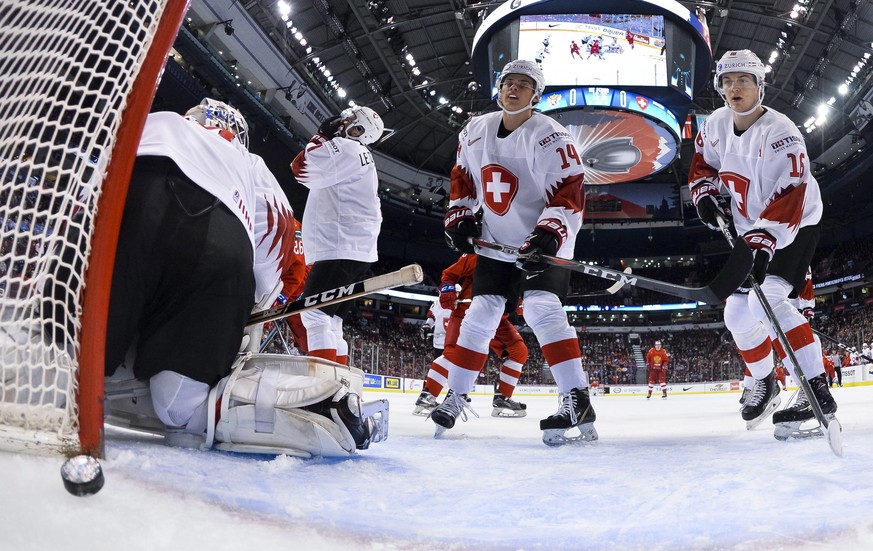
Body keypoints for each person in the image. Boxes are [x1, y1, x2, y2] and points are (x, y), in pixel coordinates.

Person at [100, 99, 383, 456]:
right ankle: (318, 406)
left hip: (137, 200)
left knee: (79, 355)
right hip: (221, 237)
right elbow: (276, 232)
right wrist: (254, 301)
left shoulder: (159, 119)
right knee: (179, 406)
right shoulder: (251, 163)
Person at [428, 59, 595, 446]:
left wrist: (548, 235)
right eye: (508, 83)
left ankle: (577, 399)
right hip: (497, 240)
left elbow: (569, 191)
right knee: (481, 311)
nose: (513, 90)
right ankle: (456, 395)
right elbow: (462, 177)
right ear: (499, 88)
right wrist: (460, 215)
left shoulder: (550, 136)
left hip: (544, 242)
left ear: (536, 96)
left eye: (523, 85)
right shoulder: (475, 130)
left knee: (540, 307)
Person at [688, 49, 837, 440]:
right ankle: (765, 382)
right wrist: (704, 193)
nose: (734, 88)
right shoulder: (717, 124)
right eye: (727, 81)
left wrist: (762, 245)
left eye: (744, 80)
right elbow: (702, 162)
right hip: (750, 227)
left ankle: (816, 391)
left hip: (795, 224)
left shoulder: (782, 133)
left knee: (765, 299)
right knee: (736, 315)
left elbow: (791, 194)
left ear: (759, 86)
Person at [290, 106, 385, 364]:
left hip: (341, 245)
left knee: (313, 314)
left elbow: (301, 169)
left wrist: (321, 136)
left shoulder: (348, 148)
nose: (344, 123)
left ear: (360, 131)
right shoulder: (361, 155)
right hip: (357, 249)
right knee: (332, 321)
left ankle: (323, 389)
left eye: (352, 121)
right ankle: (338, 385)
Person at [414, 254, 529, 418]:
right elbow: (449, 274)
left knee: (519, 351)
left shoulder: (526, 259)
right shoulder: (482, 253)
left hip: (497, 317)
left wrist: (519, 302)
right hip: (467, 311)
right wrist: (447, 288)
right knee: (453, 354)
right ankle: (428, 395)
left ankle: (503, 397)